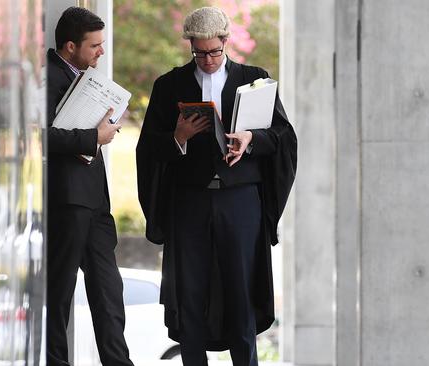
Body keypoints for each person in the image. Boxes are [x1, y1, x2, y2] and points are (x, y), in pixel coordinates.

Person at [136, 7, 297, 366]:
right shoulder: (169, 85)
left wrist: (250, 139)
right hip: (189, 201)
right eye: (199, 52)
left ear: (226, 42)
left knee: (240, 294)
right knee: (190, 294)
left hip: (240, 202)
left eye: (214, 51)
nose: (207, 59)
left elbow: (284, 137)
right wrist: (178, 137)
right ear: (190, 46)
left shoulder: (255, 78)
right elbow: (148, 149)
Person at [46, 7, 133, 366]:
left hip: (95, 202)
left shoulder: (86, 77)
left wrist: (103, 131)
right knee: (59, 293)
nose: (101, 52)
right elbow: (36, 137)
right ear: (70, 46)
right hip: (65, 202)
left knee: (109, 292)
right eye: (95, 45)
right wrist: (92, 137)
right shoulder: (45, 78)